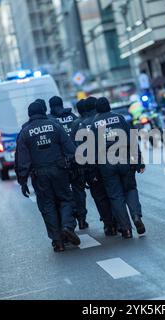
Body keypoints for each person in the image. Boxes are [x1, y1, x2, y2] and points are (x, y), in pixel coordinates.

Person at [16, 100, 80, 253]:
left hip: (39, 175)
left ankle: (57, 242)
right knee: (65, 199)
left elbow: (22, 160)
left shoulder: (25, 132)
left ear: (29, 114)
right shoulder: (55, 125)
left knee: (47, 206)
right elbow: (71, 150)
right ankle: (67, 226)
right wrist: (73, 167)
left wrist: (23, 181)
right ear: (43, 111)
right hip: (59, 170)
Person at [92, 97, 146, 239]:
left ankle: (126, 229)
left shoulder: (94, 125)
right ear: (109, 106)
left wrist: (95, 171)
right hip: (124, 159)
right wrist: (139, 161)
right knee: (130, 189)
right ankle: (136, 216)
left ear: (97, 109)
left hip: (106, 164)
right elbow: (132, 139)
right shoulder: (120, 118)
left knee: (116, 196)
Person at [71, 97, 117, 236]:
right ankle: (119, 221)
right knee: (113, 192)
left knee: (99, 196)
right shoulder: (100, 121)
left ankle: (109, 224)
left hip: (90, 167)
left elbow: (76, 149)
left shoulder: (77, 124)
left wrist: (81, 170)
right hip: (108, 161)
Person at [49, 96, 88, 230]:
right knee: (79, 190)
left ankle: (69, 221)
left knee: (64, 194)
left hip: (60, 163)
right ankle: (82, 219)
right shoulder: (73, 117)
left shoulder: (50, 121)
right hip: (76, 160)